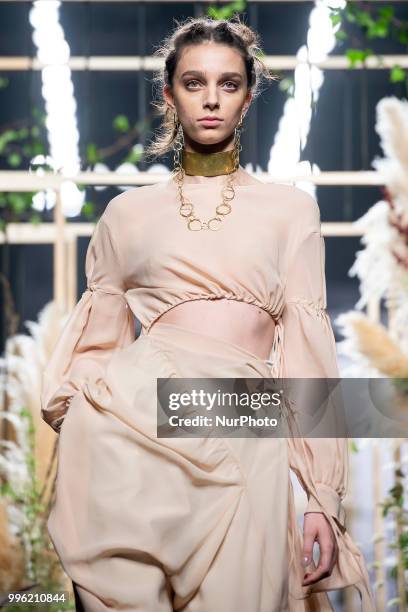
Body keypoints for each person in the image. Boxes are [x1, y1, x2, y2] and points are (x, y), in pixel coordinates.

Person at [41, 16, 375, 612]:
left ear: (249, 95)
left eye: (229, 83)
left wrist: (322, 495)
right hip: (134, 426)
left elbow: (307, 350)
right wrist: (83, 426)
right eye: (195, 82)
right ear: (169, 94)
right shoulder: (127, 214)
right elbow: (97, 346)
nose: (212, 98)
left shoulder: (289, 211)